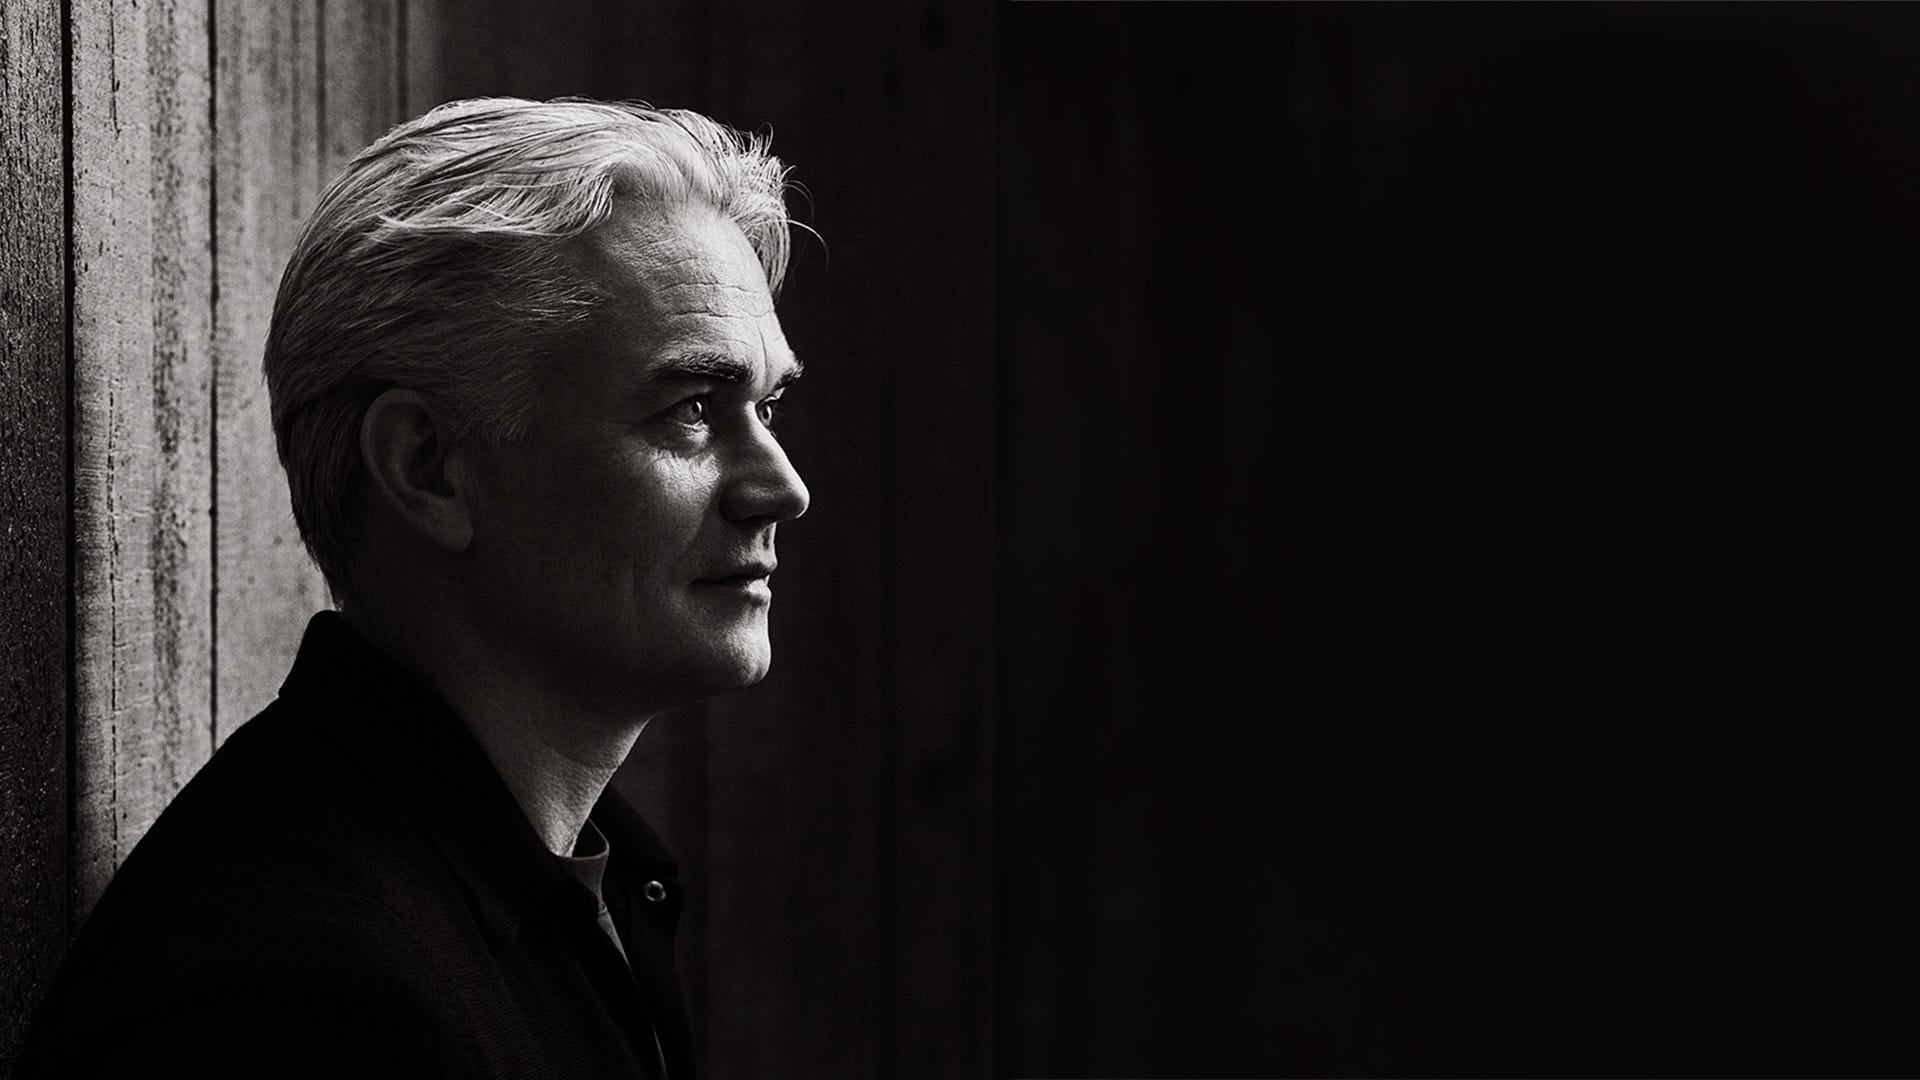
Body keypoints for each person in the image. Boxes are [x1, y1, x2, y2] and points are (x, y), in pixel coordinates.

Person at [16, 97, 811, 1079]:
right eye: (693, 407)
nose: (783, 486)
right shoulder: (297, 1000)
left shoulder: (576, 890)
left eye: (767, 404)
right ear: (429, 467)